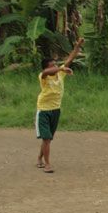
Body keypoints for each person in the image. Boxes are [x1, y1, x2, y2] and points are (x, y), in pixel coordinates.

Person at [36, 38, 83, 173]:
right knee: (46, 138)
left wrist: (77, 46)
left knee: (48, 138)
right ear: (47, 67)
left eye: (55, 65)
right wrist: (62, 67)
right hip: (43, 110)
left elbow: (70, 58)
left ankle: (39, 158)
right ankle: (47, 164)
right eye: (53, 65)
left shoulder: (60, 74)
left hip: (56, 110)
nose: (55, 67)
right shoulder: (43, 75)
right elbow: (47, 72)